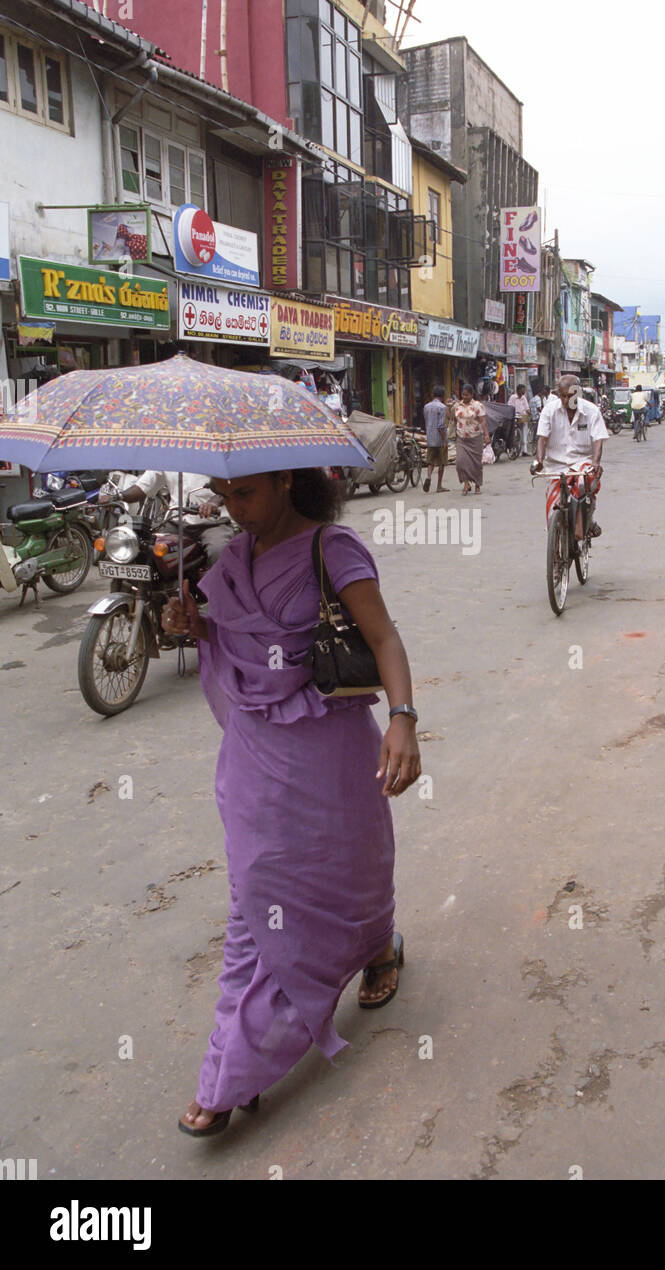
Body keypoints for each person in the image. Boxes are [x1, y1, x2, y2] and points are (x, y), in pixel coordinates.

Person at [163, 467, 421, 1136]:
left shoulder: (333, 549)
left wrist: (402, 718)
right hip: (254, 748)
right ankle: (233, 1068)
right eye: (224, 495)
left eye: (244, 493)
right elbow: (244, 648)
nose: (233, 507)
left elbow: (385, 637)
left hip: (326, 744)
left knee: (347, 868)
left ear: (284, 484)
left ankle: (376, 947)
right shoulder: (235, 554)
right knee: (257, 892)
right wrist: (197, 627)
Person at [101, 470, 236, 563]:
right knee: (145, 547)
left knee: (218, 551)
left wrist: (213, 503)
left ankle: (218, 599)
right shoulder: (166, 456)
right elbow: (142, 487)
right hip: (176, 521)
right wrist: (118, 497)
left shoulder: (211, 453)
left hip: (213, 523)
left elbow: (228, 486)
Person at [532, 375, 608, 537]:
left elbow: (598, 440)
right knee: (552, 507)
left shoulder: (591, 411)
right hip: (556, 466)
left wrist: (595, 462)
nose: (566, 400)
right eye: (563, 396)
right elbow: (542, 439)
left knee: (583, 483)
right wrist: (539, 460)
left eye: (570, 396)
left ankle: (585, 521)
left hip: (583, 463)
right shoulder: (549, 410)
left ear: (578, 394)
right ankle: (556, 551)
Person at [454, 382, 490, 496]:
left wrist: (486, 435)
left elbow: (483, 420)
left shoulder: (477, 405)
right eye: (463, 395)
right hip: (461, 438)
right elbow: (453, 419)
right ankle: (466, 483)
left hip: (475, 438)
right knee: (460, 462)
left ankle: (477, 484)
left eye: (467, 395)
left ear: (472, 394)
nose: (464, 397)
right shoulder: (457, 406)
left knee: (476, 463)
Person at [422, 384, 449, 494]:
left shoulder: (426, 407)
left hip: (430, 437)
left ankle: (428, 477)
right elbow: (441, 425)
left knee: (431, 461)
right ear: (443, 395)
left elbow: (427, 421)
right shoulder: (442, 407)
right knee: (441, 463)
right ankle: (439, 486)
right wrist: (444, 440)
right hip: (439, 438)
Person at [509, 383, 532, 456]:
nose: (524, 391)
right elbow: (510, 407)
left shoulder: (524, 398)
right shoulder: (513, 397)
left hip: (523, 416)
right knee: (515, 434)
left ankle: (524, 450)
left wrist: (530, 413)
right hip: (515, 416)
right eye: (523, 389)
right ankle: (514, 450)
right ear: (519, 390)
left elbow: (527, 408)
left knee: (524, 433)